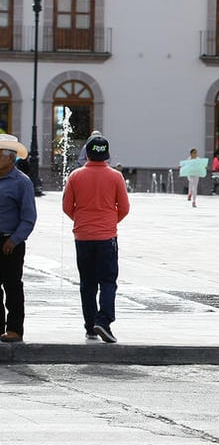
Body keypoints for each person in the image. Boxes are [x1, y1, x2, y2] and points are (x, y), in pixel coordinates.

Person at [62, 136, 130, 343]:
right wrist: (109, 222)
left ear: (87, 153)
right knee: (108, 281)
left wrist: (83, 220)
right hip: (106, 236)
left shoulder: (75, 175)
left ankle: (90, 326)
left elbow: (66, 207)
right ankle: (104, 320)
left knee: (87, 283)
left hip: (82, 236)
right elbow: (124, 208)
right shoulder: (116, 177)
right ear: (106, 154)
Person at [0, 136, 36, 343]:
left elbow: (28, 217)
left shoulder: (21, 182)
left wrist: (14, 240)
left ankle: (14, 329)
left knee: (12, 285)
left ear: (10, 159)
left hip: (10, 242)